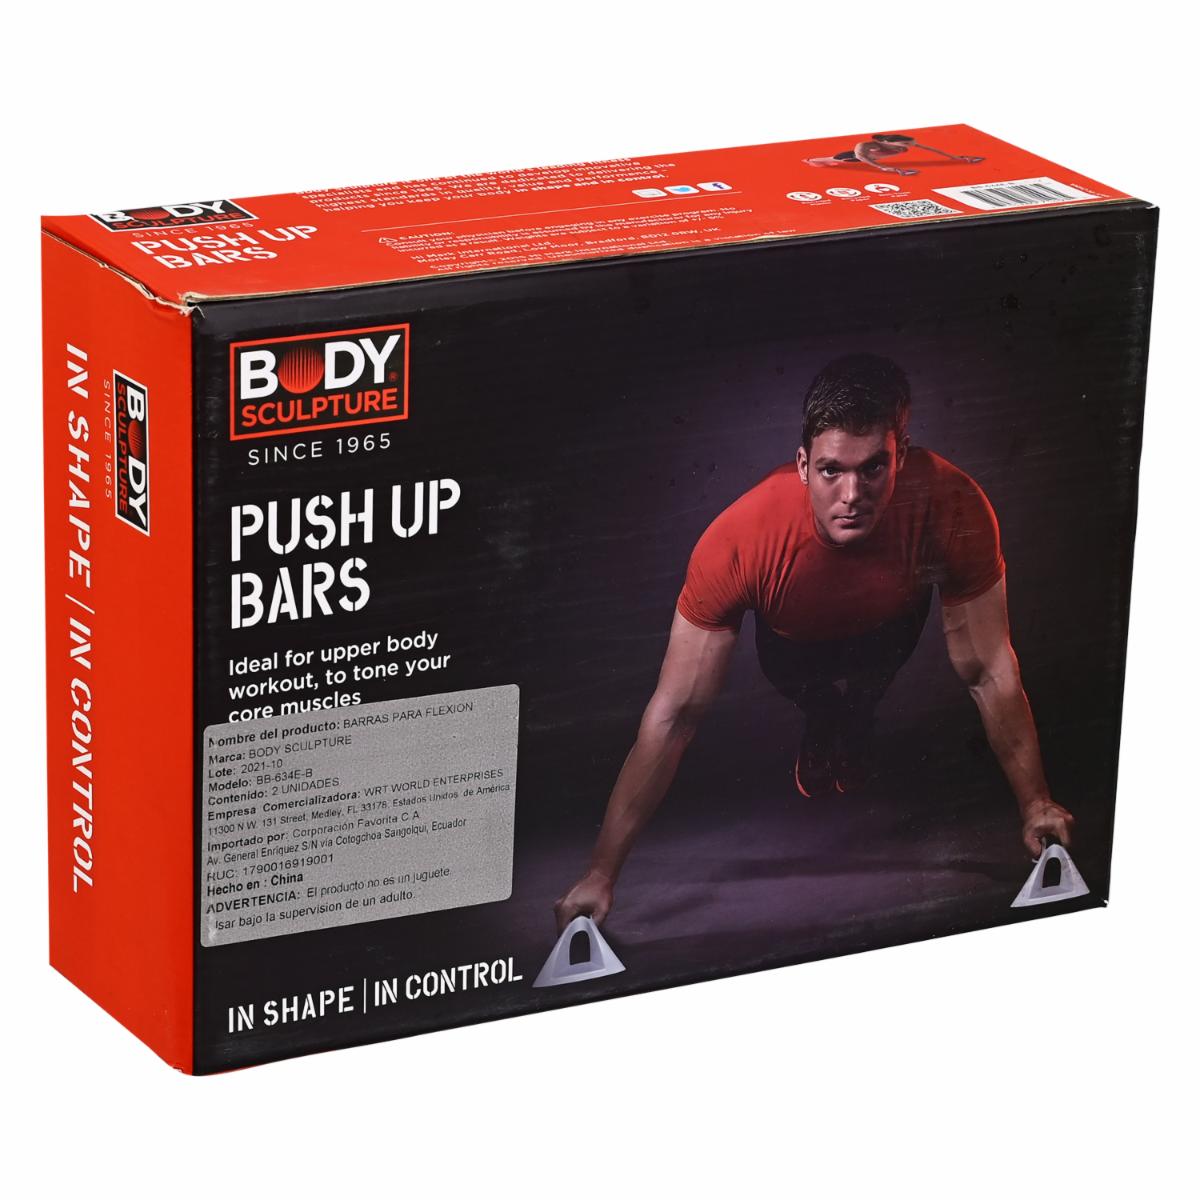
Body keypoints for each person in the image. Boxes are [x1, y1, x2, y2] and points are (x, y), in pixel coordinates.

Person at [555, 353, 1075, 931]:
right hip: (793, 650)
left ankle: (854, 715)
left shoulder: (952, 502)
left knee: (865, 695)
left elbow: (989, 670)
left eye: (874, 467)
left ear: (902, 455)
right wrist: (601, 872)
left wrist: (1036, 803)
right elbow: (674, 715)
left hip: (889, 634)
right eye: (831, 470)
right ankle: (826, 717)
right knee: (819, 699)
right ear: (802, 464)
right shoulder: (740, 538)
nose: (852, 494)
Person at [804, 132, 984, 176]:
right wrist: (882, 167)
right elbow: (861, 157)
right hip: (854, 157)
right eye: (904, 145)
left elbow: (930, 149)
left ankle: (819, 162)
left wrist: (955, 157)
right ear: (886, 142)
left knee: (834, 161)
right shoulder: (864, 145)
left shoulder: (904, 144)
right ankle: (811, 160)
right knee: (835, 159)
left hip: (875, 158)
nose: (908, 147)